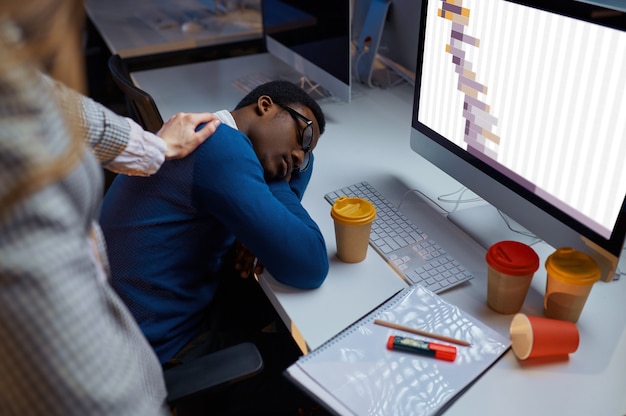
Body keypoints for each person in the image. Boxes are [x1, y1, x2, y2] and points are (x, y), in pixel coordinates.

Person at [0, 1, 220, 415]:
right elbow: (82, 394)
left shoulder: (11, 63)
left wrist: (150, 147)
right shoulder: (18, 175)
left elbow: (43, 94)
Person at [99, 80, 330, 414]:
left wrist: (261, 226)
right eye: (304, 136)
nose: (299, 157)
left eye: (306, 156)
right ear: (265, 105)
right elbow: (309, 264)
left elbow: (289, 186)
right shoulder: (220, 148)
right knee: (313, 366)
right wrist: (276, 183)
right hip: (157, 358)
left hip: (130, 328)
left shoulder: (209, 132)